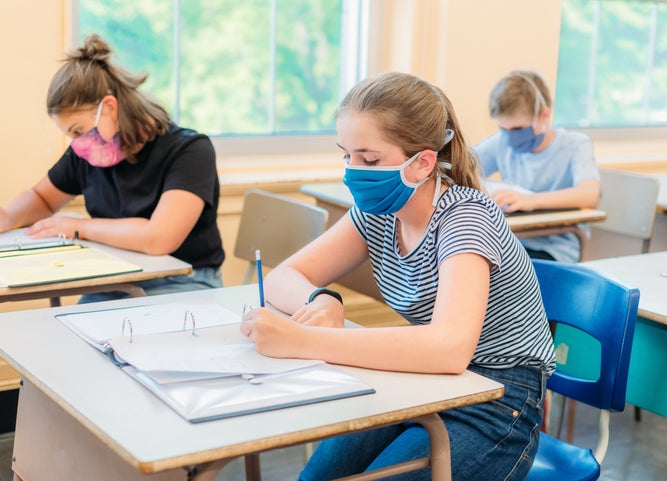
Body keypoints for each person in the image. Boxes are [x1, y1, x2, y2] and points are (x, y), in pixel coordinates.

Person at [241, 72, 556, 481]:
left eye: (369, 159)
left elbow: (449, 347)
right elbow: (286, 276)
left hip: (497, 399)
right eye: (346, 155)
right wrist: (321, 300)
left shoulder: (465, 217)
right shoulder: (378, 211)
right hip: (422, 379)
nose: (353, 172)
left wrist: (304, 341)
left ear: (423, 162)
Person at [0, 34, 224, 302]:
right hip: (117, 278)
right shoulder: (88, 153)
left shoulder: (189, 151)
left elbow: (159, 238)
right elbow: (42, 198)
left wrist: (79, 227)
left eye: (78, 130)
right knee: (67, 332)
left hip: (184, 280)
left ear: (109, 107)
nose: (77, 143)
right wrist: (7, 216)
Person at [473, 70, 600, 263]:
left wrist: (530, 200)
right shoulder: (502, 143)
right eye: (503, 128)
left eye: (517, 129)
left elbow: (590, 195)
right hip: (513, 244)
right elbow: (460, 166)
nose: (510, 136)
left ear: (544, 115)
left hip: (556, 248)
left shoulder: (575, 145)